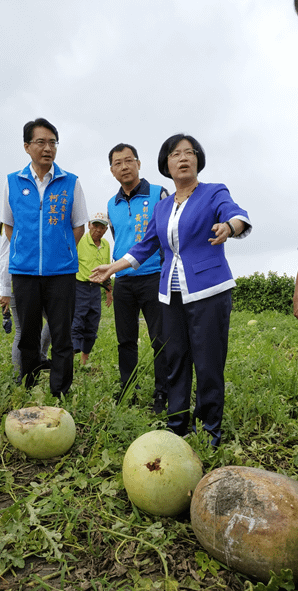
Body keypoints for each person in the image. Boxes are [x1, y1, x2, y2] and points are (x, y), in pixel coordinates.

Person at [92, 134, 252, 446]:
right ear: (166, 163)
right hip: (170, 293)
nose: (183, 158)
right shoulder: (163, 206)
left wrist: (229, 227)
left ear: (197, 160)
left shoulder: (213, 193)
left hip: (209, 290)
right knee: (175, 358)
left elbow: (236, 214)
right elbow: (145, 246)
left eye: (189, 152)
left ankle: (209, 431)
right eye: (176, 153)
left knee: (208, 362)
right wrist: (112, 267)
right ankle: (178, 424)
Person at [0, 117, 89, 397]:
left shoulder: (70, 182)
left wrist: (57, 251)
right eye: (41, 142)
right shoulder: (12, 182)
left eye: (52, 142)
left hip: (60, 272)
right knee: (28, 335)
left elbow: (78, 227)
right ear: (27, 146)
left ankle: (58, 392)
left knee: (62, 336)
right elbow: (9, 226)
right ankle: (27, 387)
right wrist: (28, 252)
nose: (47, 148)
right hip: (24, 272)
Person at [107, 143, 168, 411]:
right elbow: (117, 239)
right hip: (124, 281)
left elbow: (168, 235)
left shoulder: (158, 194)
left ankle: (162, 393)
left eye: (129, 160)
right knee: (125, 339)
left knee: (160, 339)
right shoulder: (112, 203)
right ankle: (128, 388)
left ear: (139, 163)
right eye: (118, 163)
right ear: (112, 170)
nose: (124, 166)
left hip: (154, 276)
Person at [0, 223, 51, 382]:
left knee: (55, 320)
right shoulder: (8, 225)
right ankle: (17, 377)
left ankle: (40, 357)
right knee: (22, 331)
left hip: (34, 281)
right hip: (17, 282)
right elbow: (5, 256)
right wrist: (5, 290)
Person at [71, 212, 113, 365]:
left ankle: (84, 361)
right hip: (79, 287)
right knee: (77, 323)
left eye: (102, 227)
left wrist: (109, 291)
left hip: (96, 289)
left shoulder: (106, 245)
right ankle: (70, 362)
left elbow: (107, 269)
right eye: (95, 225)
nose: (98, 230)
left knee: (92, 325)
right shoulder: (79, 240)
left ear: (106, 230)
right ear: (89, 225)